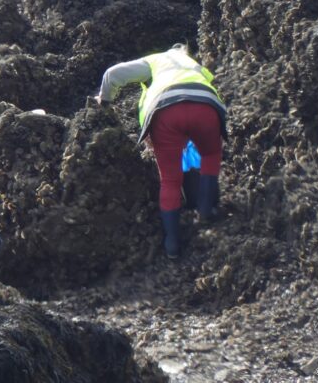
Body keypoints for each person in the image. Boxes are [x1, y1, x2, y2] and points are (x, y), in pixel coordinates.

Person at [96, 43, 226, 259]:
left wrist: (105, 102)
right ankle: (205, 211)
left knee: (170, 181)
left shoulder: (156, 60)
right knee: (210, 157)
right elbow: (204, 91)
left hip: (166, 112)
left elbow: (112, 74)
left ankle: (172, 246)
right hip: (206, 105)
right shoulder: (193, 65)